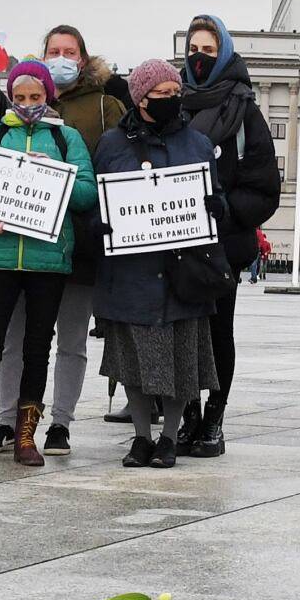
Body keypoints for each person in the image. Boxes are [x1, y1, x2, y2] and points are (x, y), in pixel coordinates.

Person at [0, 60, 96, 467]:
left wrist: (57, 176)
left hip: (49, 261)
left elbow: (86, 194)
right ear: (10, 96)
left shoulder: (67, 138)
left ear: (49, 96)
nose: (28, 104)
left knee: (36, 349)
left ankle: (26, 436)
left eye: (37, 96)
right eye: (21, 96)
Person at [5, 25, 129, 459]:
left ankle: (60, 422)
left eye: (69, 52)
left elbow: (114, 171)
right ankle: (7, 420)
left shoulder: (104, 105)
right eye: (53, 51)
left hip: (78, 243)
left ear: (83, 58)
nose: (61, 58)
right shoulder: (15, 107)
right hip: (24, 241)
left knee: (71, 340)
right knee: (15, 338)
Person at [94, 60, 223, 468]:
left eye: (175, 92)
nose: (171, 99)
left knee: (181, 360)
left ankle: (168, 438)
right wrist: (104, 219)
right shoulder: (113, 144)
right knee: (132, 361)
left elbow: (215, 197)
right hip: (130, 272)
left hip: (181, 271)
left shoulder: (197, 143)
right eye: (162, 93)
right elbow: (100, 196)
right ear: (141, 97)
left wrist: (214, 206)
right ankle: (140, 437)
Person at [176, 15, 283, 458]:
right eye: (193, 51)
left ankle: (214, 421)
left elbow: (265, 189)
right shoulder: (173, 101)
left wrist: (226, 209)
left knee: (218, 332)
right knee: (181, 333)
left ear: (224, 56)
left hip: (221, 245)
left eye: (208, 51)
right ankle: (187, 418)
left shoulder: (246, 112)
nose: (199, 59)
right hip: (176, 242)